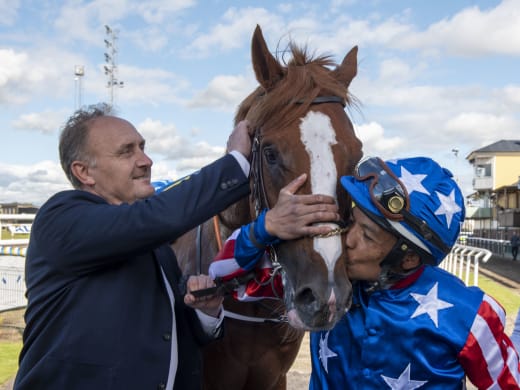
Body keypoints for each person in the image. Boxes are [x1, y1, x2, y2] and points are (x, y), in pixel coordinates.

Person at [14, 103, 340, 390]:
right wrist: (237, 165)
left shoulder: (154, 249)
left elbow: (171, 337)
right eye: (127, 151)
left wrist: (206, 313)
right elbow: (159, 217)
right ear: (83, 172)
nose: (146, 160)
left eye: (142, 147)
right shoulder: (60, 218)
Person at [216, 156, 520, 389]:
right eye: (354, 222)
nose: (347, 240)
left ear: (409, 258)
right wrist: (266, 226)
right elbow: (225, 278)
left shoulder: (469, 316)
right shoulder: (328, 280)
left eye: (368, 236)